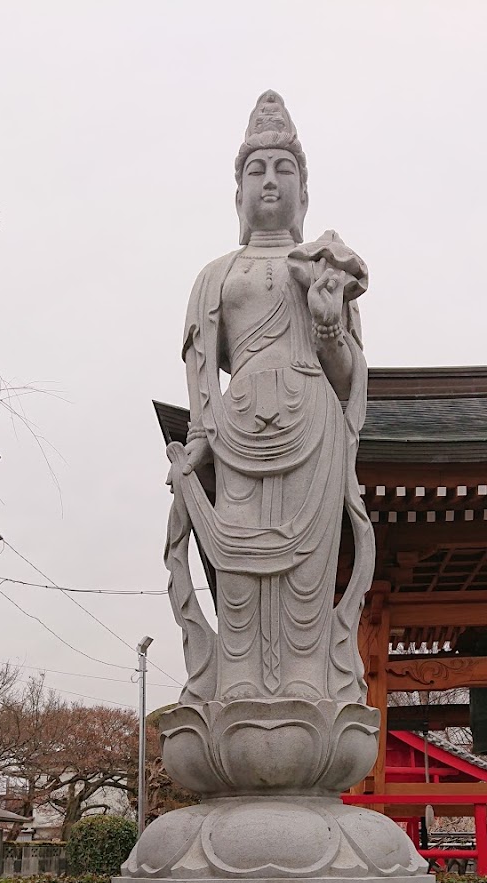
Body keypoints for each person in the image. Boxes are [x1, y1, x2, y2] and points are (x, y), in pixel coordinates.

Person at [166, 91, 374, 709]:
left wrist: (329, 320)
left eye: (284, 169)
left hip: (313, 428)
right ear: (237, 194)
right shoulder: (216, 275)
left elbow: (348, 377)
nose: (271, 181)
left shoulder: (322, 266)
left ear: (304, 194)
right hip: (236, 435)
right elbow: (202, 369)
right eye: (256, 170)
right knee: (239, 575)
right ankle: (235, 690)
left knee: (305, 576)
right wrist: (199, 444)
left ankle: (309, 688)